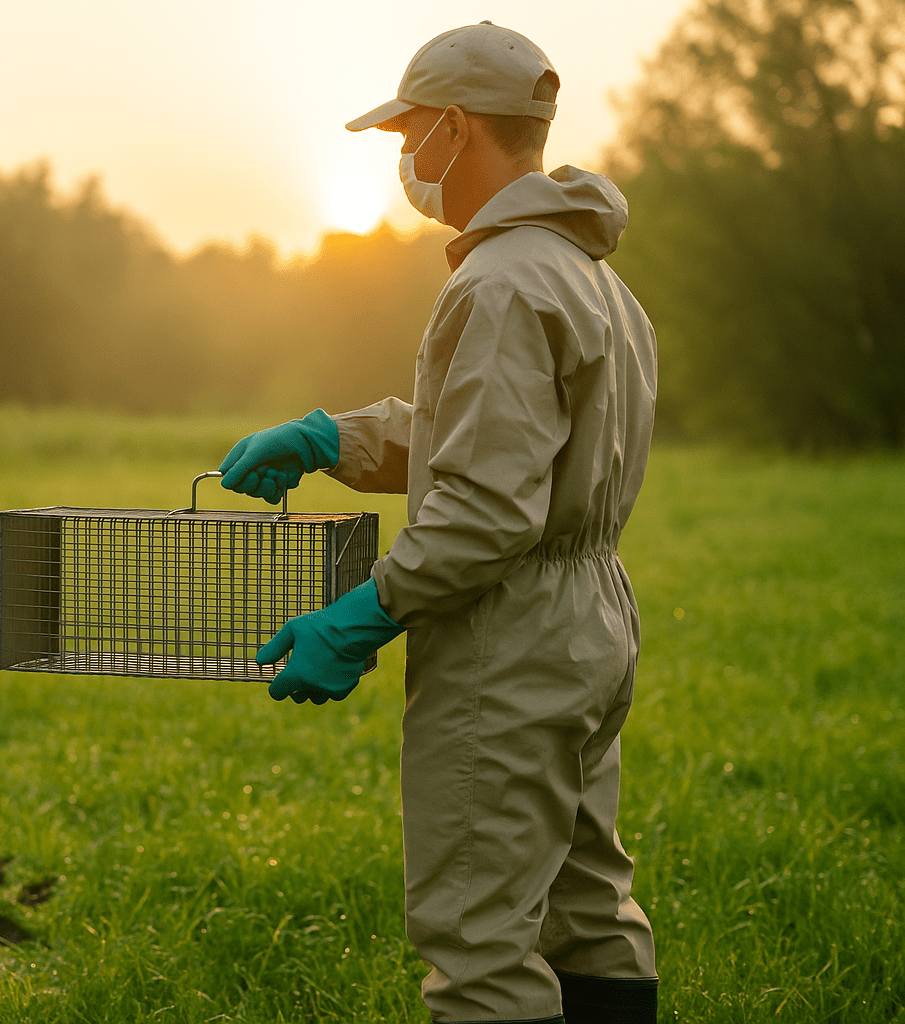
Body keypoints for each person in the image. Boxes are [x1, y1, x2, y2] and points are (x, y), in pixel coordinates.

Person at [220, 21, 659, 1024]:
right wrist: (338, 436)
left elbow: (486, 508)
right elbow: (505, 442)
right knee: (588, 905)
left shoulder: (499, 283)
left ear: (457, 130)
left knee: (478, 939)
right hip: (589, 624)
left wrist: (360, 615)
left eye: (410, 134)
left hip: (509, 642)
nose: (407, 159)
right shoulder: (592, 277)